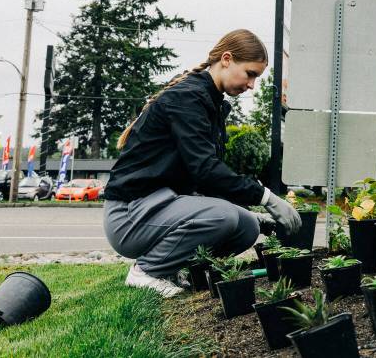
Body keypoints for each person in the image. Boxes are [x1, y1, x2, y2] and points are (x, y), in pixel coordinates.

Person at [103, 29, 301, 297]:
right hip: (130, 215)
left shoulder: (209, 101)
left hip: (161, 206)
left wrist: (254, 214)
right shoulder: (188, 98)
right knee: (225, 216)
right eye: (250, 74)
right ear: (227, 59)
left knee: (246, 227)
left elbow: (204, 181)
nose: (252, 85)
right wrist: (268, 198)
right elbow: (206, 170)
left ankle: (175, 268)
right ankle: (146, 271)